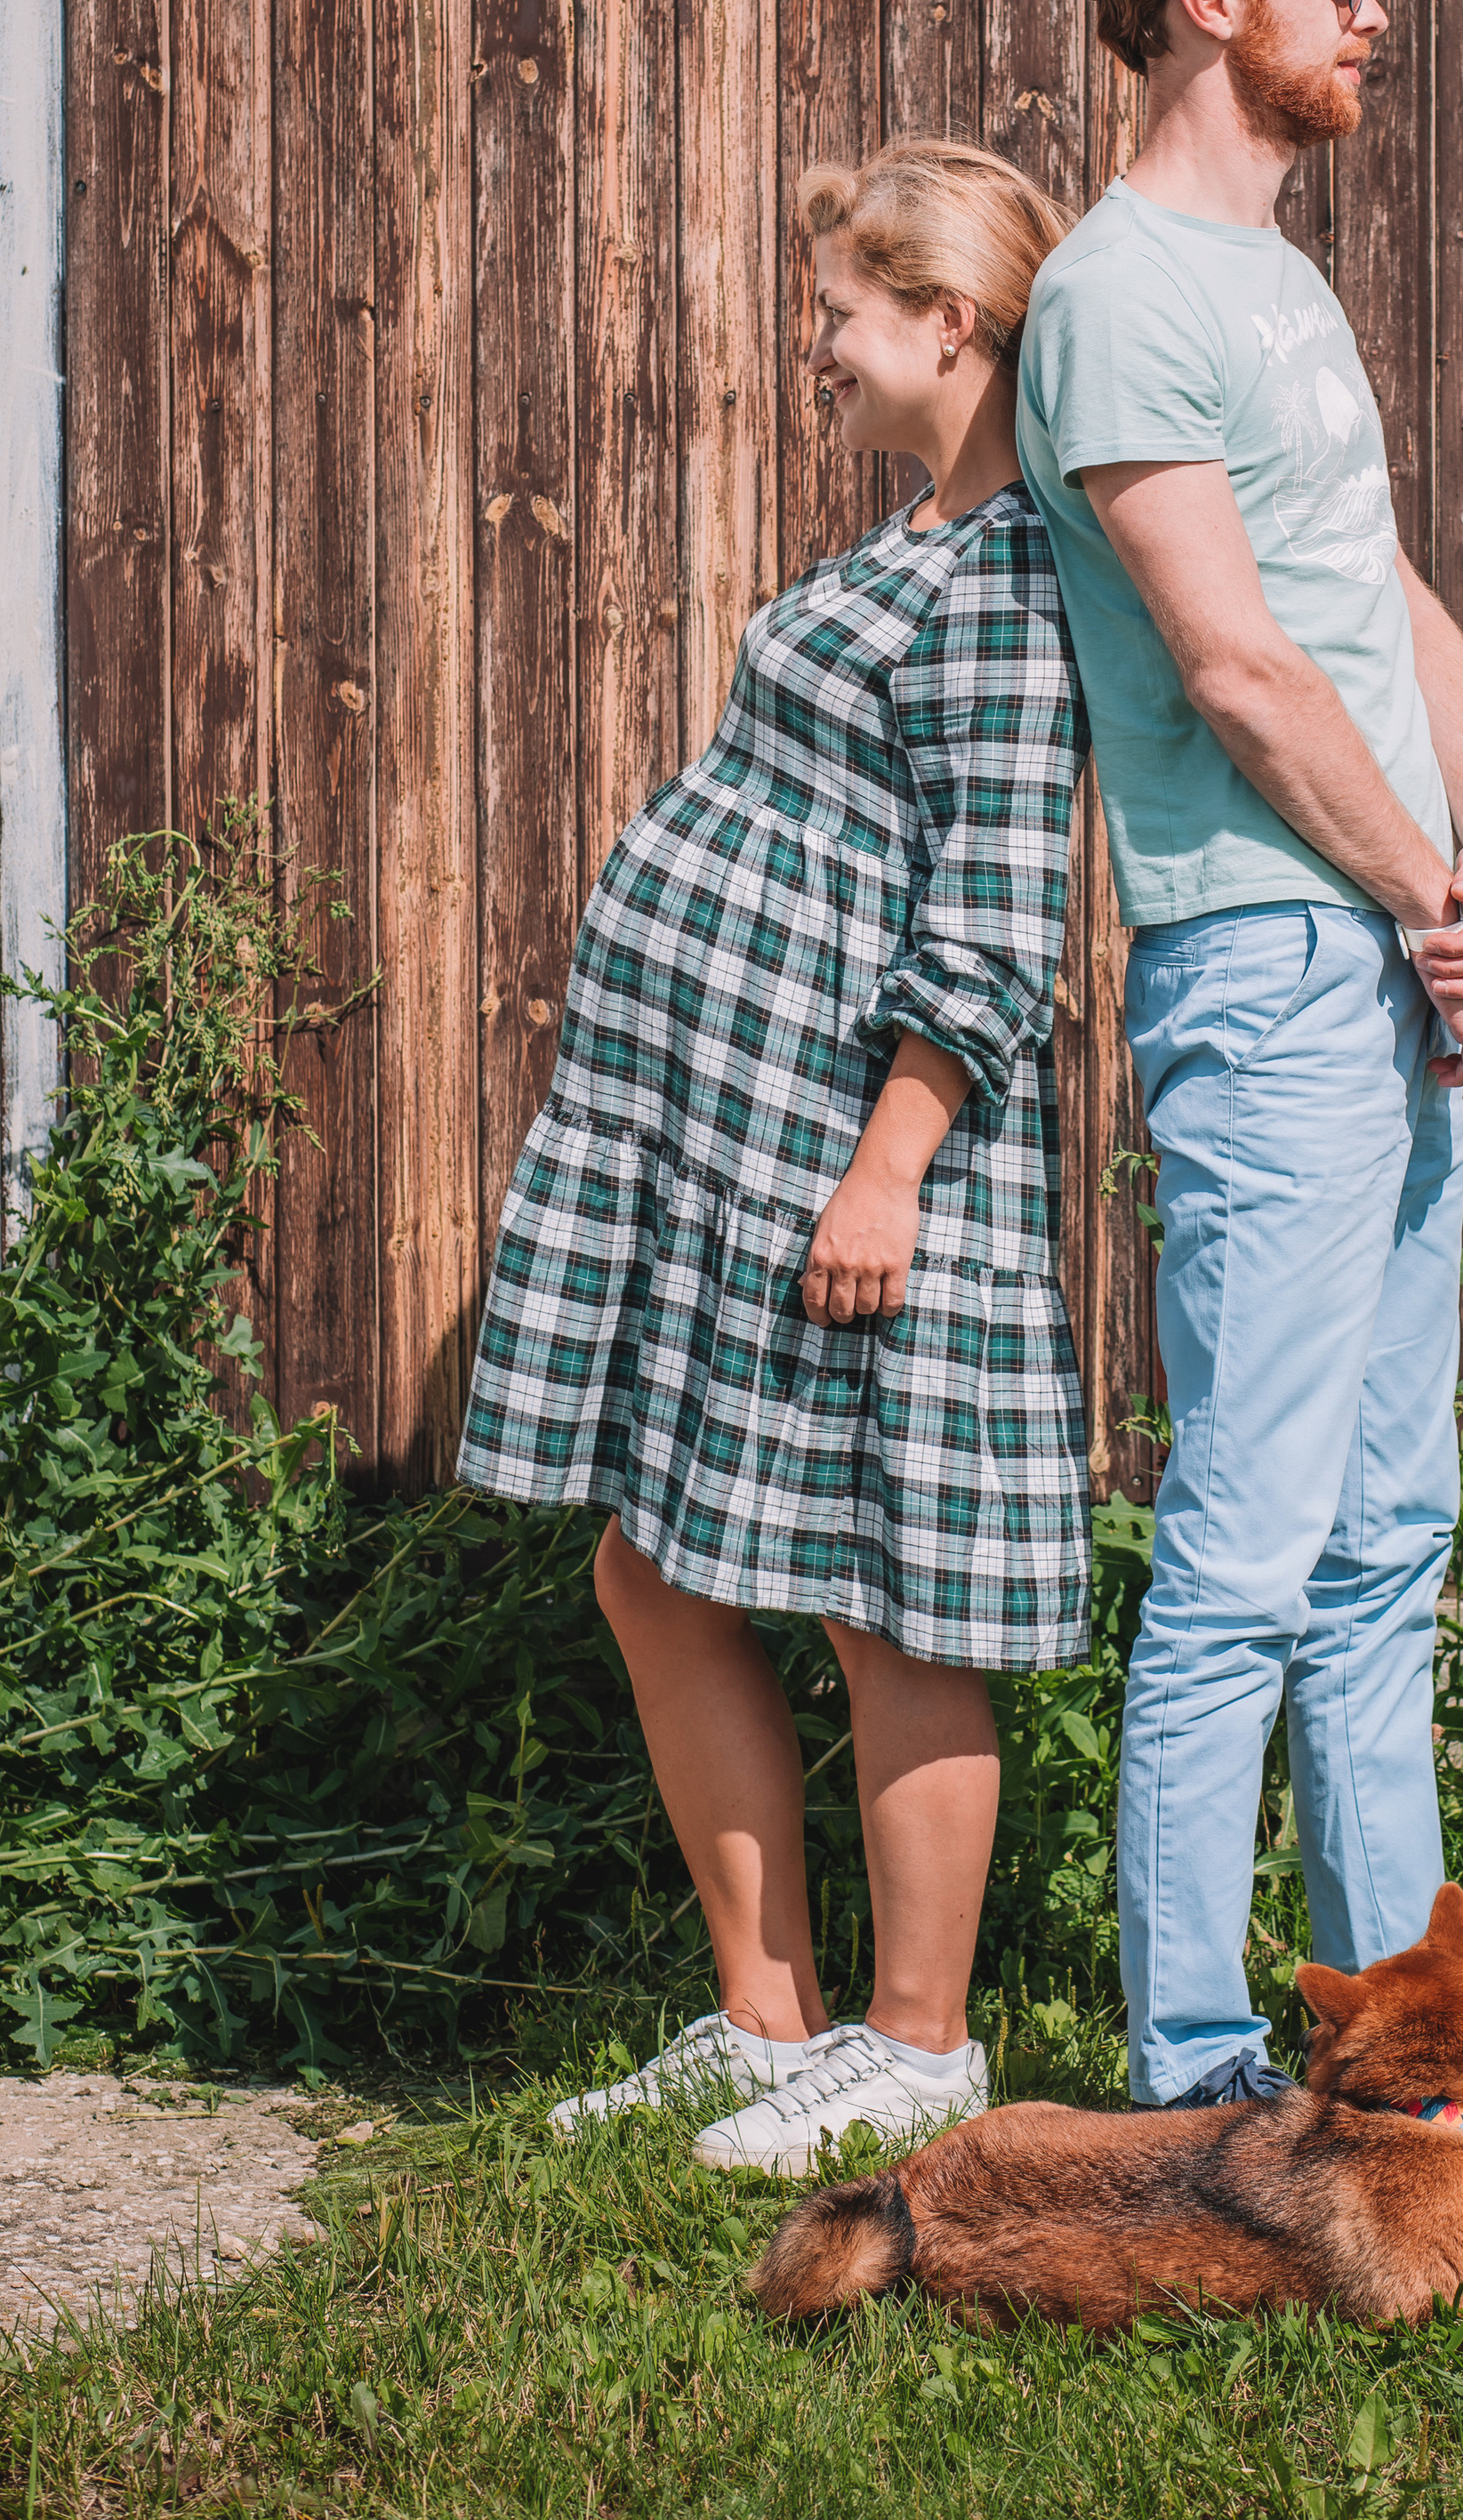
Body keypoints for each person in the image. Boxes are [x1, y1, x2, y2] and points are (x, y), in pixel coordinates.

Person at [456, 141, 1089, 2178]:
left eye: (841, 310)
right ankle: (760, 2020)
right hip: (735, 1142)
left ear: (947, 325)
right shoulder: (913, 537)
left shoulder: (1002, 580)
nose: (814, 345)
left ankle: (915, 2050)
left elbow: (995, 920)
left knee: (886, 1608)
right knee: (651, 1566)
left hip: (855, 1161)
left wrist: (891, 1164)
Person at [1014, 0, 1463, 2109]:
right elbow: (1233, 666)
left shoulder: (1287, 288)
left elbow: (1383, 599)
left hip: (1392, 953)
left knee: (1384, 1538)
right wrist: (1430, 911)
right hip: (1271, 965)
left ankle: (1401, 2054)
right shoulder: (1115, 294)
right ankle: (1198, 2061)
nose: (1375, 13)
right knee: (1243, 1542)